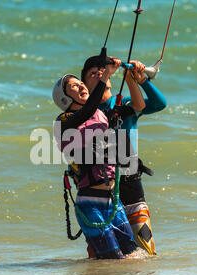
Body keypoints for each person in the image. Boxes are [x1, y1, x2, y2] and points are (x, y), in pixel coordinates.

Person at [52, 57, 140, 259]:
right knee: (112, 262)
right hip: (90, 204)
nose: (81, 86)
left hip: (113, 201)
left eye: (81, 83)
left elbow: (137, 107)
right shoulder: (63, 122)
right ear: (65, 98)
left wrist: (133, 77)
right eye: (74, 86)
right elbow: (88, 109)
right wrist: (105, 76)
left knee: (133, 257)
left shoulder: (99, 114)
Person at [81, 55, 167, 256]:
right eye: (93, 74)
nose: (99, 75)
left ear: (110, 80)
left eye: (102, 72)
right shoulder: (85, 112)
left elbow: (159, 104)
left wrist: (137, 79)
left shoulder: (125, 103)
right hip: (99, 187)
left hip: (129, 182)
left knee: (144, 247)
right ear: (84, 85)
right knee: (102, 256)